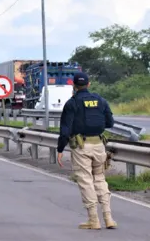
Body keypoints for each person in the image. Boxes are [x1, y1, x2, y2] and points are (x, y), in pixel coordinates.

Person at [57, 72, 117, 230]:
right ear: (89, 84)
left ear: (74, 86)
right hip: (99, 145)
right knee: (100, 179)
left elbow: (65, 129)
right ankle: (108, 217)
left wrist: (60, 149)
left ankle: (93, 220)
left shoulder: (72, 103)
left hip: (81, 147)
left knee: (85, 180)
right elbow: (110, 122)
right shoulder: (101, 100)